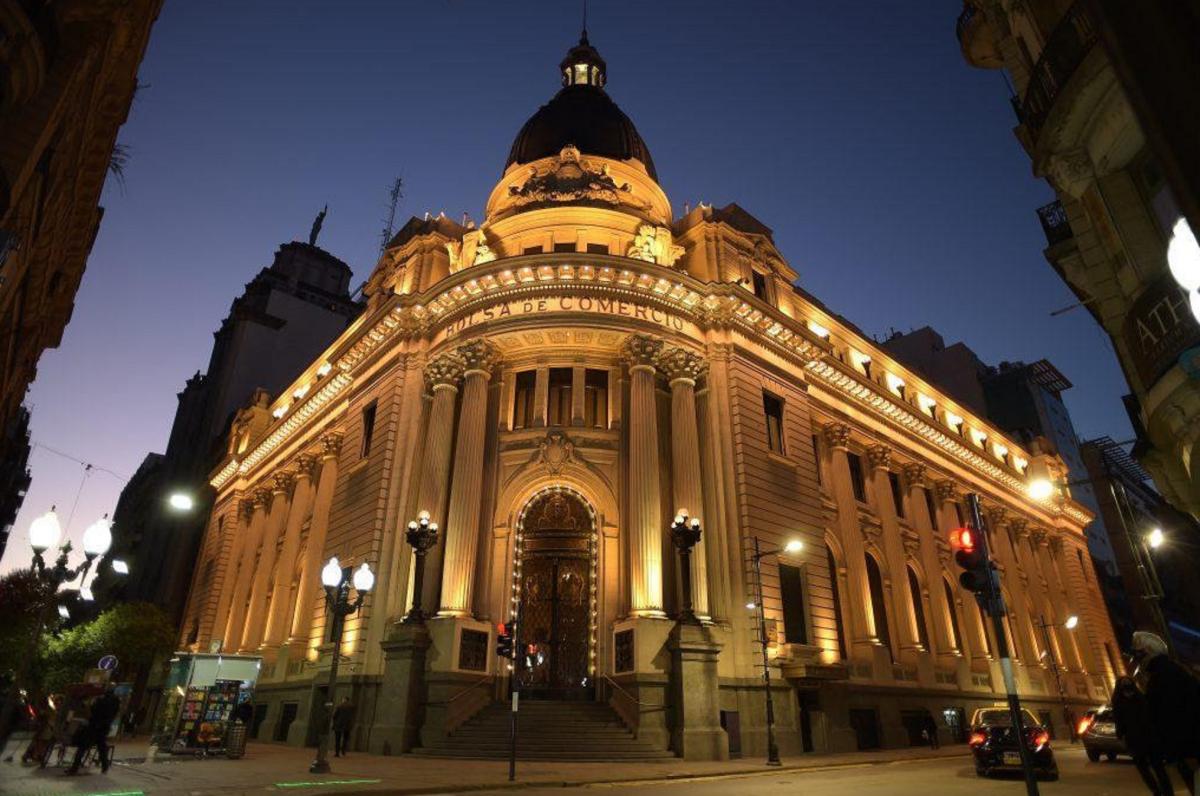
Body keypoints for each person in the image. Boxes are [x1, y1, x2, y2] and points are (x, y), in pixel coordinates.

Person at [1133, 631, 1200, 793]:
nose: (1137, 659)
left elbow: (1169, 714)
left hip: (1187, 745)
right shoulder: (1170, 671)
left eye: (1139, 654)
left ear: (1148, 652)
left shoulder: (1162, 676)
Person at [1113, 676, 1174, 795]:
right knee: (1148, 769)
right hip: (1137, 740)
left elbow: (1150, 717)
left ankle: (1165, 792)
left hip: (1147, 738)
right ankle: (1159, 791)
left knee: (1155, 768)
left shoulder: (1137, 699)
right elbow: (1119, 722)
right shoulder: (1125, 701)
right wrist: (1122, 737)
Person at [66, 686, 120, 775]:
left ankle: (74, 768)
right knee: (101, 747)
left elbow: (93, 710)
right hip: (104, 727)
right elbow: (115, 713)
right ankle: (105, 766)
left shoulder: (100, 700)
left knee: (82, 747)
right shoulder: (116, 701)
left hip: (94, 726)